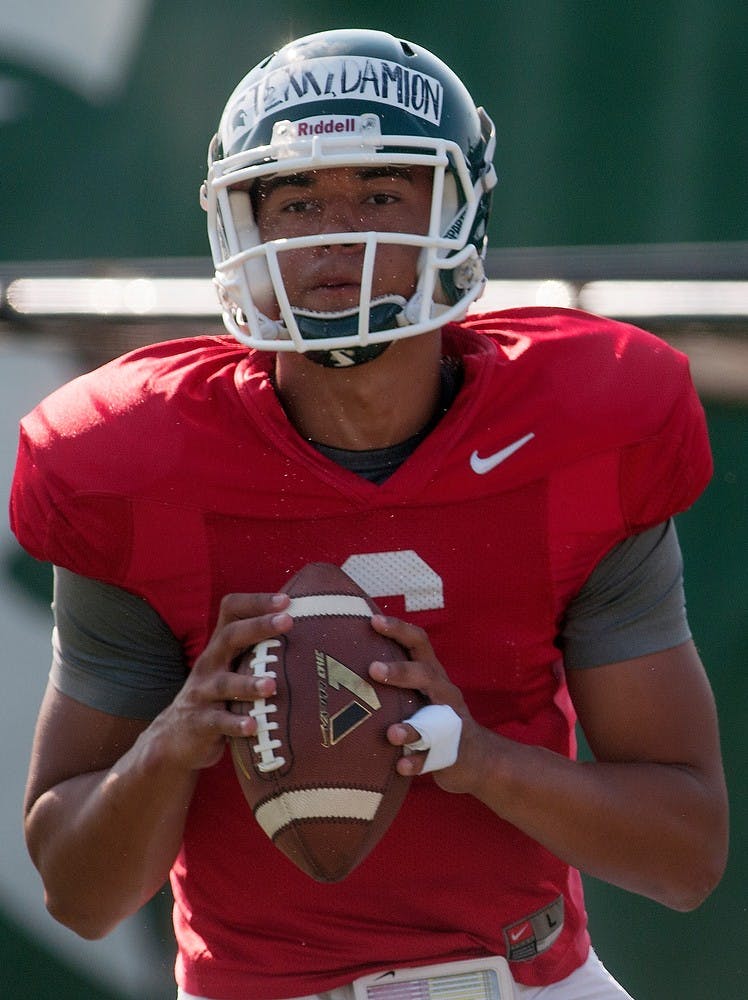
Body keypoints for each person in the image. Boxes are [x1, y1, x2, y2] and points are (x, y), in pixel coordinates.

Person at [10, 28, 728, 1000]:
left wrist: (479, 760)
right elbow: (81, 893)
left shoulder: (576, 432)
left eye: (380, 195)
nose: (332, 234)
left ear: (459, 209)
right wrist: (174, 739)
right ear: (243, 227)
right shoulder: (136, 466)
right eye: (297, 200)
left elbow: (683, 852)